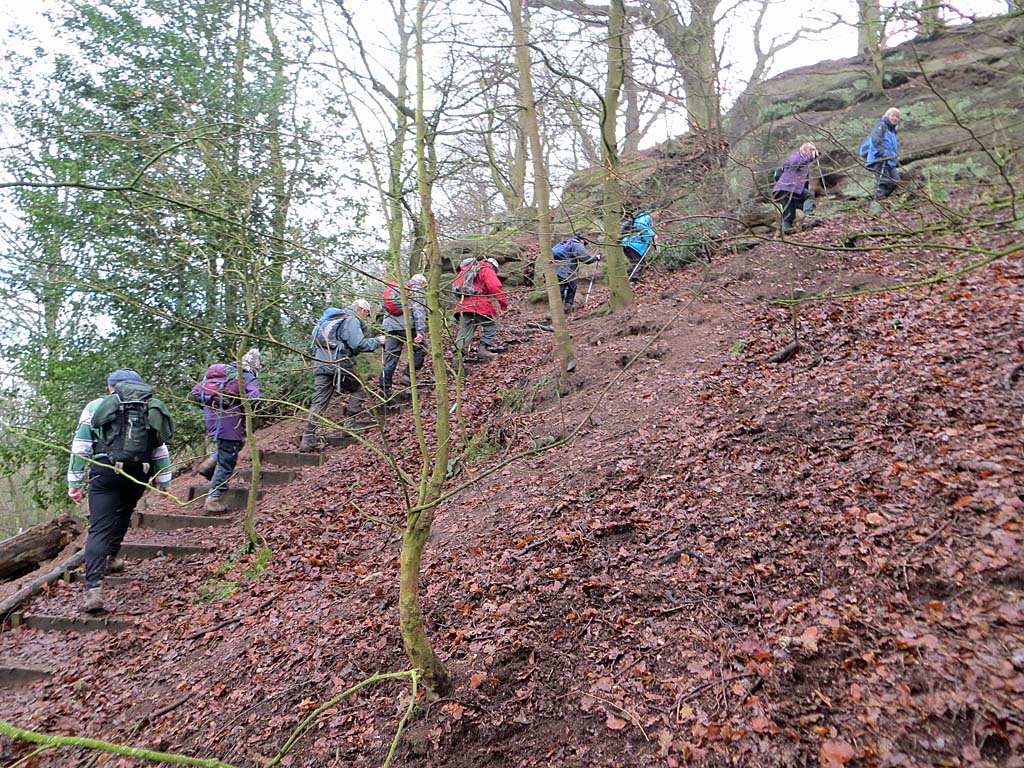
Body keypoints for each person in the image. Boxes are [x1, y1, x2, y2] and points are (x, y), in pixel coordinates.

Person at [67, 369, 173, 613]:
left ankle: (93, 590)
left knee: (99, 528)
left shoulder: (96, 406)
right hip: (138, 472)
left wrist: (74, 483)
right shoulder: (149, 406)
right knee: (124, 512)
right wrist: (165, 480)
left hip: (105, 471)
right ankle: (112, 558)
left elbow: (81, 445)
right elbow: (160, 447)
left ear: (110, 387)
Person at [299, 299, 385, 452]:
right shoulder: (352, 320)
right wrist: (377, 341)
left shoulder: (334, 318)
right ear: (362, 310)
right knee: (358, 389)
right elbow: (358, 344)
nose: (366, 317)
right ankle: (349, 426)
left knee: (319, 401)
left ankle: (308, 438)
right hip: (339, 363)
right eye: (367, 314)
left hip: (321, 364)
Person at [191, 349, 261, 514]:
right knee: (227, 460)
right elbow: (255, 398)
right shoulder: (246, 376)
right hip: (231, 422)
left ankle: (210, 463)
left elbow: (195, 392)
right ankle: (213, 500)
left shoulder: (219, 374)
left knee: (235, 445)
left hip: (212, 420)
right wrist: (242, 406)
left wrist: (211, 407)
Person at [380, 274, 428, 399]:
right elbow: (419, 310)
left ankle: (384, 388)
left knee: (390, 357)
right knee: (421, 348)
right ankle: (407, 376)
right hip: (407, 325)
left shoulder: (396, 287)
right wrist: (420, 331)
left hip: (390, 327)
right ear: (421, 282)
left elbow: (384, 307)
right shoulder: (416, 288)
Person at [453, 257, 507, 361]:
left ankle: (457, 359)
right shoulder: (486, 270)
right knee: (490, 325)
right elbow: (495, 286)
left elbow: (456, 287)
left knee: (464, 332)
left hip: (463, 305)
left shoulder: (465, 271)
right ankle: (483, 349)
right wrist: (503, 303)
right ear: (493, 266)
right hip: (479, 303)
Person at [773, 142, 820, 234]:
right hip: (788, 187)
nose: (813, 153)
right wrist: (811, 157)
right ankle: (809, 217)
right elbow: (794, 163)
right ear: (806, 150)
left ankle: (786, 229)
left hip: (786, 188)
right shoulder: (797, 156)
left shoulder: (803, 162)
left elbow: (804, 183)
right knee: (809, 195)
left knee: (789, 211)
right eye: (811, 150)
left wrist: (806, 203)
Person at [552, 231, 601, 313]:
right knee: (572, 287)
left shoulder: (565, 243)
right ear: (582, 240)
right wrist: (595, 258)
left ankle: (556, 311)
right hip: (567, 270)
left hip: (555, 268)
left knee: (560, 289)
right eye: (584, 243)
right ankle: (566, 308)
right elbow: (585, 258)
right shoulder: (576, 244)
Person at [861, 107, 901, 200]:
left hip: (890, 160)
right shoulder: (881, 126)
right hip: (879, 158)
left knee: (895, 181)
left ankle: (883, 199)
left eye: (897, 117)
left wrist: (894, 158)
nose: (895, 118)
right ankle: (878, 200)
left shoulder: (893, 131)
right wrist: (883, 153)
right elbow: (875, 140)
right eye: (893, 115)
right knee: (883, 182)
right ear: (887, 116)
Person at [621, 210, 656, 284]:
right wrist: (652, 233)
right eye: (658, 213)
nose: (657, 215)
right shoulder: (646, 216)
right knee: (641, 264)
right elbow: (640, 225)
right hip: (634, 244)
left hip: (630, 244)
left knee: (636, 264)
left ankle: (625, 279)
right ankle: (632, 281)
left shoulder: (642, 216)